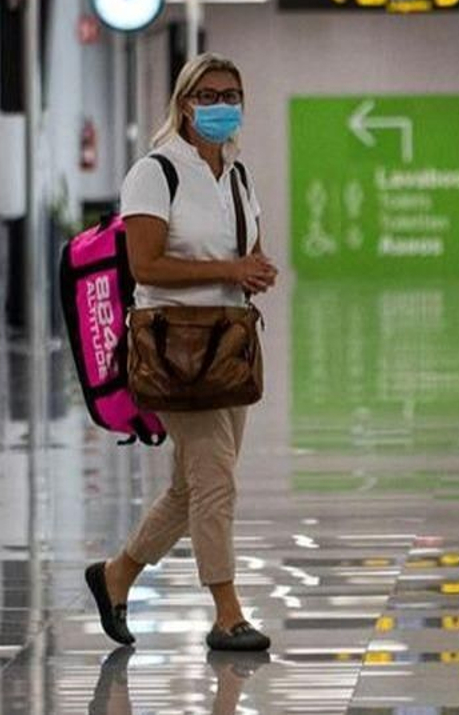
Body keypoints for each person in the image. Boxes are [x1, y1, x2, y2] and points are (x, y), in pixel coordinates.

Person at [85, 53, 278, 653]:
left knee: (192, 487)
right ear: (185, 103)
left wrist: (254, 270)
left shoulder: (237, 175)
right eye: (208, 95)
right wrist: (229, 269)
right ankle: (227, 612)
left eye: (231, 95)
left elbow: (248, 253)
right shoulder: (156, 172)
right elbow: (145, 264)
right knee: (215, 478)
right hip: (173, 347)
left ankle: (117, 575)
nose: (221, 106)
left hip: (229, 344)